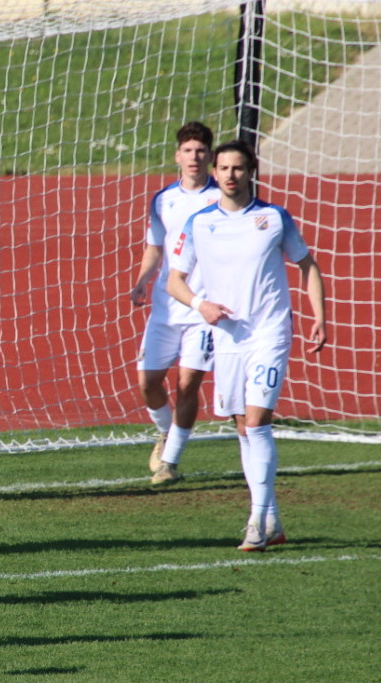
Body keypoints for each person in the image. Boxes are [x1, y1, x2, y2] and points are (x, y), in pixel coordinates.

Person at [167, 140, 327, 551]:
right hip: (227, 337)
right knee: (242, 427)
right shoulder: (200, 223)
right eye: (224, 168)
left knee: (256, 423)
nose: (230, 175)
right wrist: (201, 305)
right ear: (214, 173)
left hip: (269, 334)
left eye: (238, 168)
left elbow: (307, 265)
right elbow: (175, 281)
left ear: (251, 171)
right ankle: (272, 519)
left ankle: (256, 522)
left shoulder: (274, 218)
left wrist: (319, 317)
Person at [129, 122, 221, 485]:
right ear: (177, 156)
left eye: (200, 150)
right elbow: (155, 247)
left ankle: (170, 461)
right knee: (148, 381)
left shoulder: (223, 198)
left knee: (187, 383)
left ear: (209, 156)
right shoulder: (163, 199)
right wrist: (142, 281)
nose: (194, 157)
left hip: (204, 309)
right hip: (166, 307)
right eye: (188, 150)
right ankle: (166, 432)